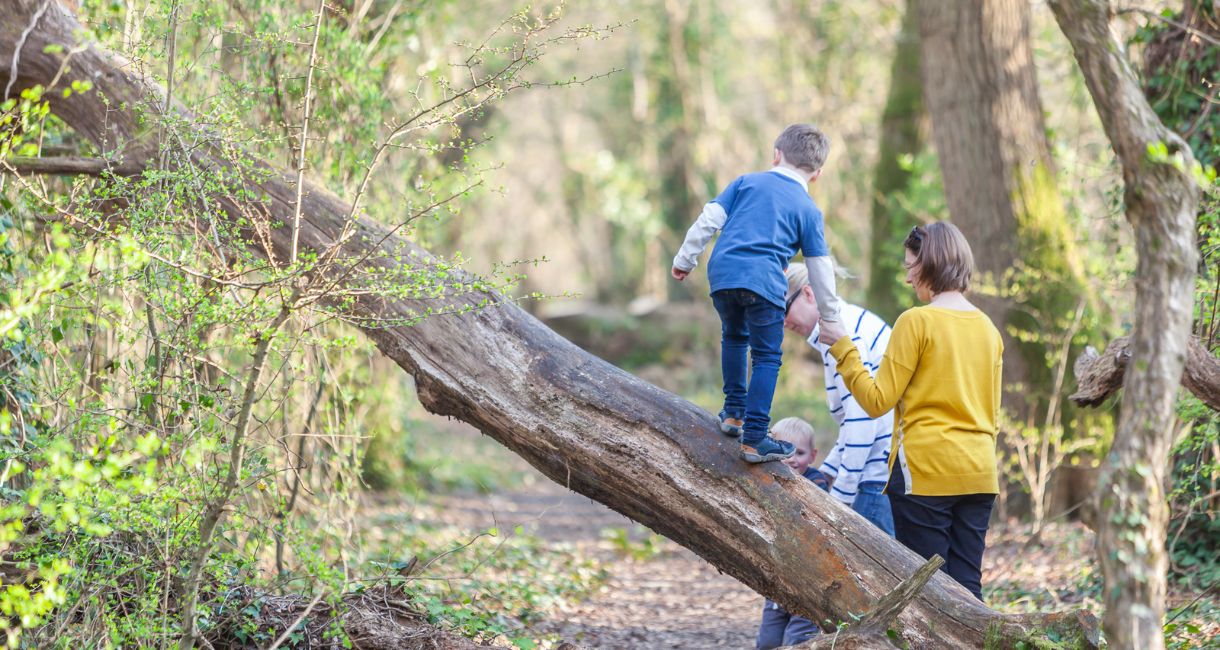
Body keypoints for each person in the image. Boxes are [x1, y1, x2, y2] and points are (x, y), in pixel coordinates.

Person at [818, 222, 1002, 601]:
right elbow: (992, 414)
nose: (907, 278)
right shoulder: (988, 329)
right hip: (980, 473)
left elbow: (876, 400)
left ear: (929, 264)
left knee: (931, 598)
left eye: (910, 268)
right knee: (968, 592)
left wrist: (843, 348)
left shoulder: (916, 321)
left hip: (925, 474)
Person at [671, 123, 844, 463]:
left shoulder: (745, 182)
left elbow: (708, 219)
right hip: (764, 281)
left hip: (723, 272)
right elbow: (820, 268)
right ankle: (755, 437)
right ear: (818, 174)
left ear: (776, 154)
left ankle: (733, 413)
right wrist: (830, 316)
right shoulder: (808, 211)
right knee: (766, 356)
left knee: (734, 336)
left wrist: (685, 259)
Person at [782, 265, 895, 536]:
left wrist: (840, 500)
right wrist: (826, 474)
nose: (783, 322)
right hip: (878, 476)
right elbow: (851, 420)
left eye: (783, 309)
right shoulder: (844, 325)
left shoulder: (843, 334)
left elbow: (863, 421)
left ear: (808, 293)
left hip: (875, 481)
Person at [754, 417, 823, 650]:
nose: (792, 459)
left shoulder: (817, 483)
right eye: (785, 451)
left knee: (799, 637)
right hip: (778, 577)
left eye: (800, 453)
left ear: (813, 456)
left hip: (810, 581)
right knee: (768, 640)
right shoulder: (765, 479)